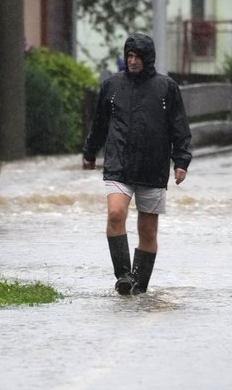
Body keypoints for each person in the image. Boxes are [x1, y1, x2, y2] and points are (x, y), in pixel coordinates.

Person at [82, 33, 192, 295]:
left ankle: (139, 286)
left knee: (147, 230)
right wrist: (89, 152)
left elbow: (179, 128)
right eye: (129, 56)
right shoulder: (112, 86)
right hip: (119, 164)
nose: (132, 61)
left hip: (152, 168)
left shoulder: (167, 88)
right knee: (115, 214)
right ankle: (123, 276)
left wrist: (181, 161)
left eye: (137, 57)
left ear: (147, 59)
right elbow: (99, 123)